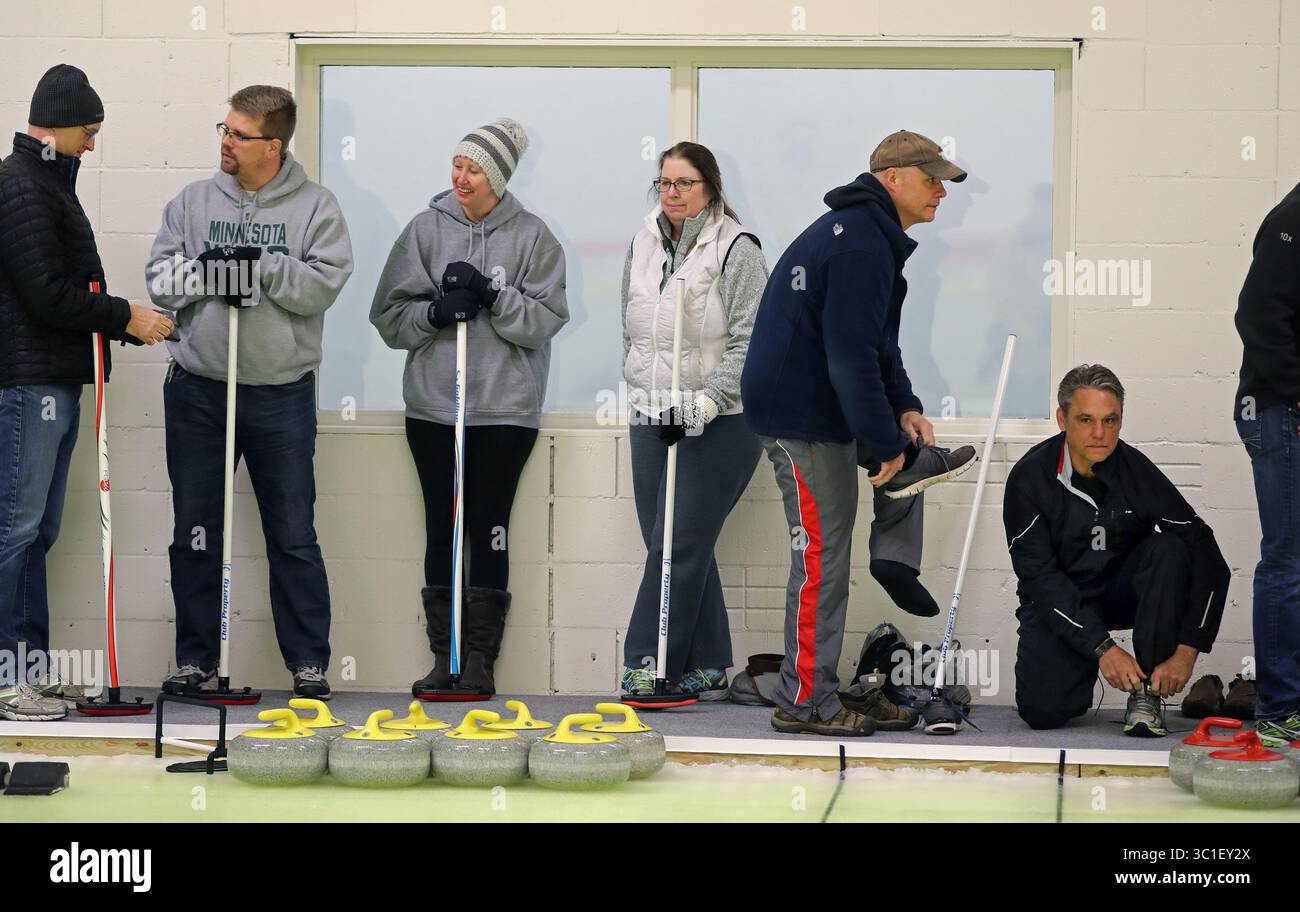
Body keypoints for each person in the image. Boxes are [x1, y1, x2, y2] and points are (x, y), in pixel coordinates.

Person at [741, 130, 976, 736]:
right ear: (893, 178)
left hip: (817, 413)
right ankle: (804, 703)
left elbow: (876, 344)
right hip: (798, 418)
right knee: (820, 558)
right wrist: (887, 444)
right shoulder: (860, 244)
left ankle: (816, 683)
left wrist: (905, 409)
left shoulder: (867, 236)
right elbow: (848, 359)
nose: (940, 193)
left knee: (830, 553)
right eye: (933, 180)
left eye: (944, 183)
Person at [146, 85, 354, 700]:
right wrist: (212, 269)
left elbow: (321, 287)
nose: (225, 142)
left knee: (292, 533)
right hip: (198, 391)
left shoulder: (317, 207)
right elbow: (160, 282)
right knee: (195, 531)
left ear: (274, 145)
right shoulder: (192, 200)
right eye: (225, 129)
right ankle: (195, 662)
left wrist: (261, 262)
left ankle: (309, 665)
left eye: (238, 134)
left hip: (279, 395)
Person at [370, 118, 568, 697]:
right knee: (443, 529)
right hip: (436, 410)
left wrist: (493, 296)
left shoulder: (534, 237)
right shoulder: (423, 232)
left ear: (499, 177)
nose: (461, 176)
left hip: (505, 411)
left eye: (474, 168)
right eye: (457, 164)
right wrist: (433, 313)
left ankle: (478, 660)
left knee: (490, 529)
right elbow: (387, 318)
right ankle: (444, 657)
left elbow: (547, 320)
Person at [0, 65, 173, 721]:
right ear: (59, 123)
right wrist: (123, 315)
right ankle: (7, 679)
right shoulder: (19, 187)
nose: (92, 147)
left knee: (36, 532)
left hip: (52, 379)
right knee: (14, 531)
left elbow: (70, 296)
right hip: (26, 386)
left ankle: (28, 674)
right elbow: (47, 295)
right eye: (89, 133)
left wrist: (124, 326)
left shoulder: (45, 184)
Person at [1004, 364, 1228, 736]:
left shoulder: (1136, 470)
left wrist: (1188, 651)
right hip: (1061, 601)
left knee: (1169, 549)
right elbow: (1039, 579)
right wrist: (1102, 647)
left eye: (1111, 421)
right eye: (1086, 419)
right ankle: (1077, 673)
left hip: (1121, 592)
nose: (1099, 433)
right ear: (1062, 419)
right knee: (1043, 713)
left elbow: (1207, 555)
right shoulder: (1029, 478)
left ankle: (1147, 694)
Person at [619, 142, 768, 700]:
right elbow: (631, 326)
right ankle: (706, 662)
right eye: (664, 182)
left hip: (721, 421)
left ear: (710, 189)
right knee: (672, 542)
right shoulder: (641, 244)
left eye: (684, 183)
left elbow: (752, 339)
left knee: (676, 545)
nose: (672, 193)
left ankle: (649, 663)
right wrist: (641, 388)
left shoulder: (736, 250)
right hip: (653, 417)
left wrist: (706, 402)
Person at [1233, 184, 1300, 745]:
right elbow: (1256, 314)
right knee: (1287, 560)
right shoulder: (1295, 216)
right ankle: (1280, 710)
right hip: (1280, 414)